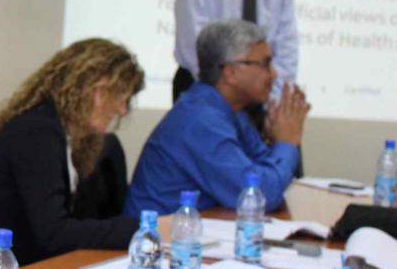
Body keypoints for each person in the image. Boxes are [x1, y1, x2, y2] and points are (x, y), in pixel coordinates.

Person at [0, 39, 146, 265]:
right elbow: (54, 234)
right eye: (121, 97)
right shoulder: (38, 132)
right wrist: (141, 229)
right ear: (97, 90)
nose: (122, 110)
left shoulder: (60, 132)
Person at [125, 19, 309, 215]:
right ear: (231, 72)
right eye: (265, 64)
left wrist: (280, 141)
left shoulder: (229, 109)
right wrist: (287, 142)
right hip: (161, 232)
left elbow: (264, 174)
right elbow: (260, 197)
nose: (274, 73)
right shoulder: (200, 121)